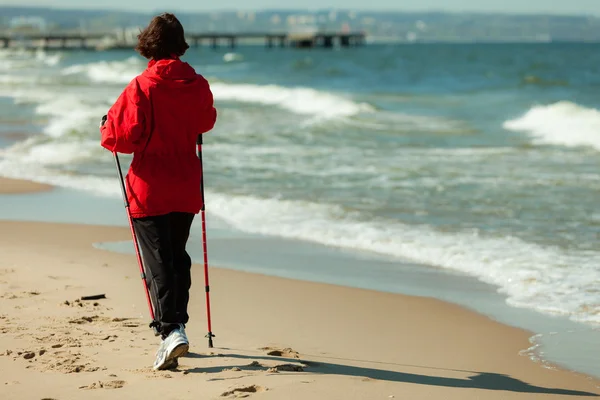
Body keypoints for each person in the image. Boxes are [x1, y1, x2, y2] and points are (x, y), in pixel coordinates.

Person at [99, 13, 217, 370]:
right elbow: (206, 122)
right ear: (180, 44)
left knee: (159, 260)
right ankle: (177, 325)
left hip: (149, 187)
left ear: (149, 43)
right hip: (184, 183)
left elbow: (122, 139)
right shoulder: (196, 83)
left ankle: (170, 332)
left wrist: (106, 124)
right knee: (177, 256)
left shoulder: (141, 86)